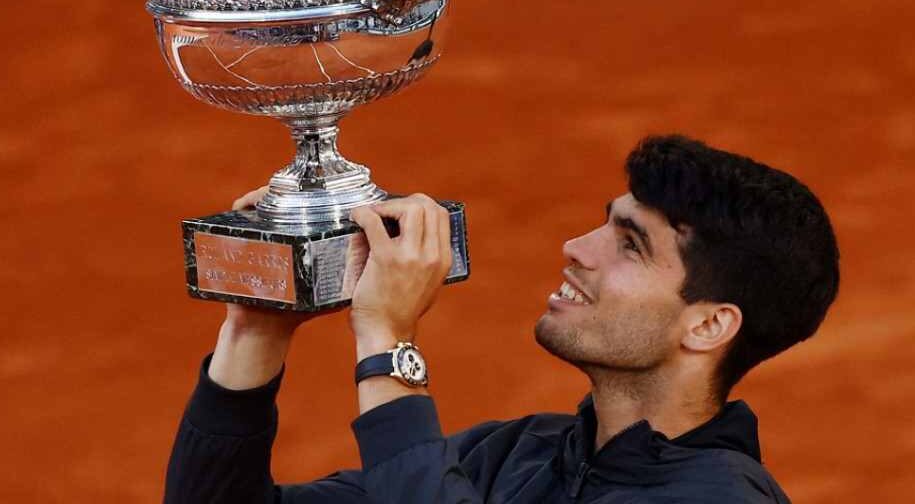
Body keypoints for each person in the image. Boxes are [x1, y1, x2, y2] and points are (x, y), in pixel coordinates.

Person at [164, 134, 840, 503]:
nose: (578, 249)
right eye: (604, 224)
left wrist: (388, 343)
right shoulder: (514, 458)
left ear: (708, 326)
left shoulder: (717, 499)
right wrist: (258, 328)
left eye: (631, 245)